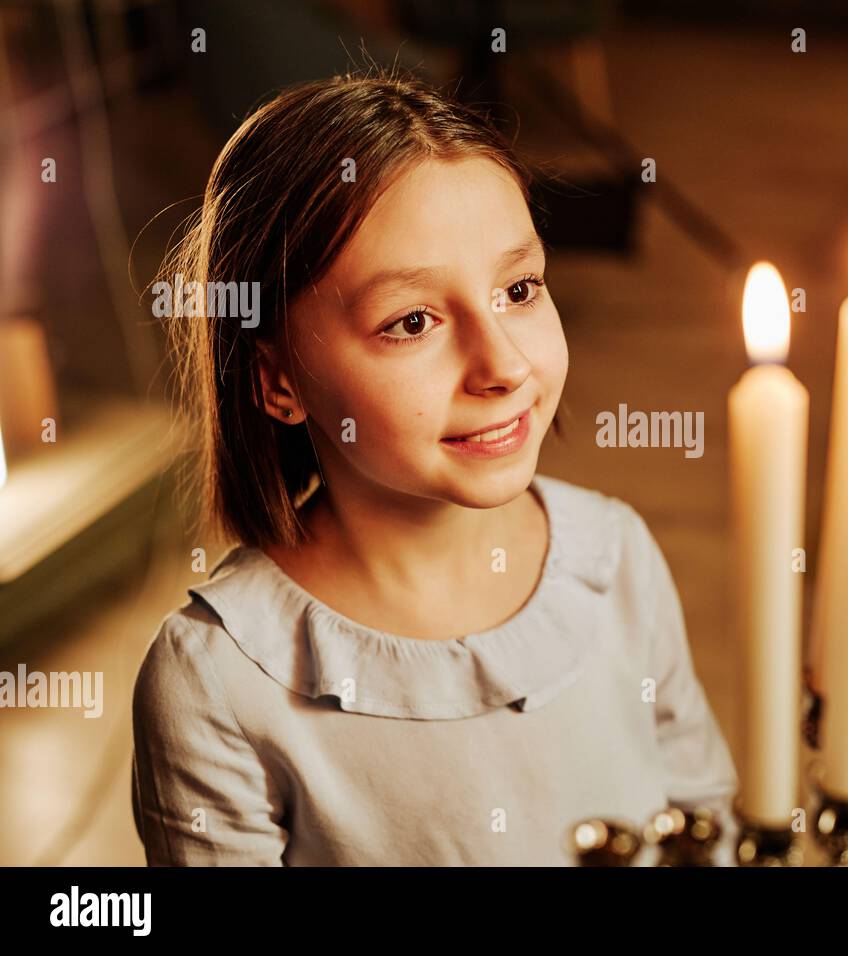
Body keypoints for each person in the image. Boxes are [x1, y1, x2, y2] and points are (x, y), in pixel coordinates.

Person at [130, 71, 738, 865]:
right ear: (277, 379)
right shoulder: (216, 683)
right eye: (411, 321)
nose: (504, 365)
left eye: (519, 288)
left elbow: (706, 823)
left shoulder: (613, 556)